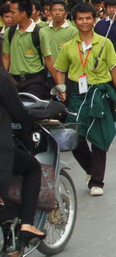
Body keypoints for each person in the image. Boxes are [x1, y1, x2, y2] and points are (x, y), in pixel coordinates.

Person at [53, 2, 116, 196]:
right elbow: (59, 70)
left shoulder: (105, 43)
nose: (84, 22)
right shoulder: (68, 47)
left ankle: (97, 182)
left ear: (94, 20)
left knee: (99, 137)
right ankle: (91, 169)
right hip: (77, 94)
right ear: (74, 21)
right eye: (80, 18)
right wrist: (61, 89)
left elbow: (115, 69)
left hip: (99, 93)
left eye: (88, 18)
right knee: (75, 137)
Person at [0, 69, 45, 245]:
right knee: (32, 167)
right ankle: (27, 224)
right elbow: (20, 113)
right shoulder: (2, 78)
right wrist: (48, 111)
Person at [3, 0, 57, 99]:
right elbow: (6, 57)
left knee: (30, 106)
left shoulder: (39, 32)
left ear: (23, 13)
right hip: (13, 81)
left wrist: (58, 83)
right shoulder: (9, 32)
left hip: (34, 81)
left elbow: (48, 59)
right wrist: (4, 79)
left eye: (13, 12)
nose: (10, 16)